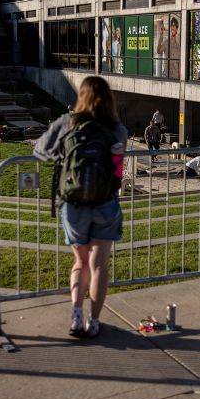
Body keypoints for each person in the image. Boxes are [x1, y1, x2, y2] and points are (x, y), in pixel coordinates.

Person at [33, 76, 127, 338]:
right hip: (105, 203)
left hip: (73, 205)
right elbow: (117, 163)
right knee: (98, 265)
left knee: (80, 262)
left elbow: (40, 150)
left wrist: (63, 156)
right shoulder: (117, 129)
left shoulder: (68, 123)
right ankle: (94, 322)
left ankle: (76, 316)